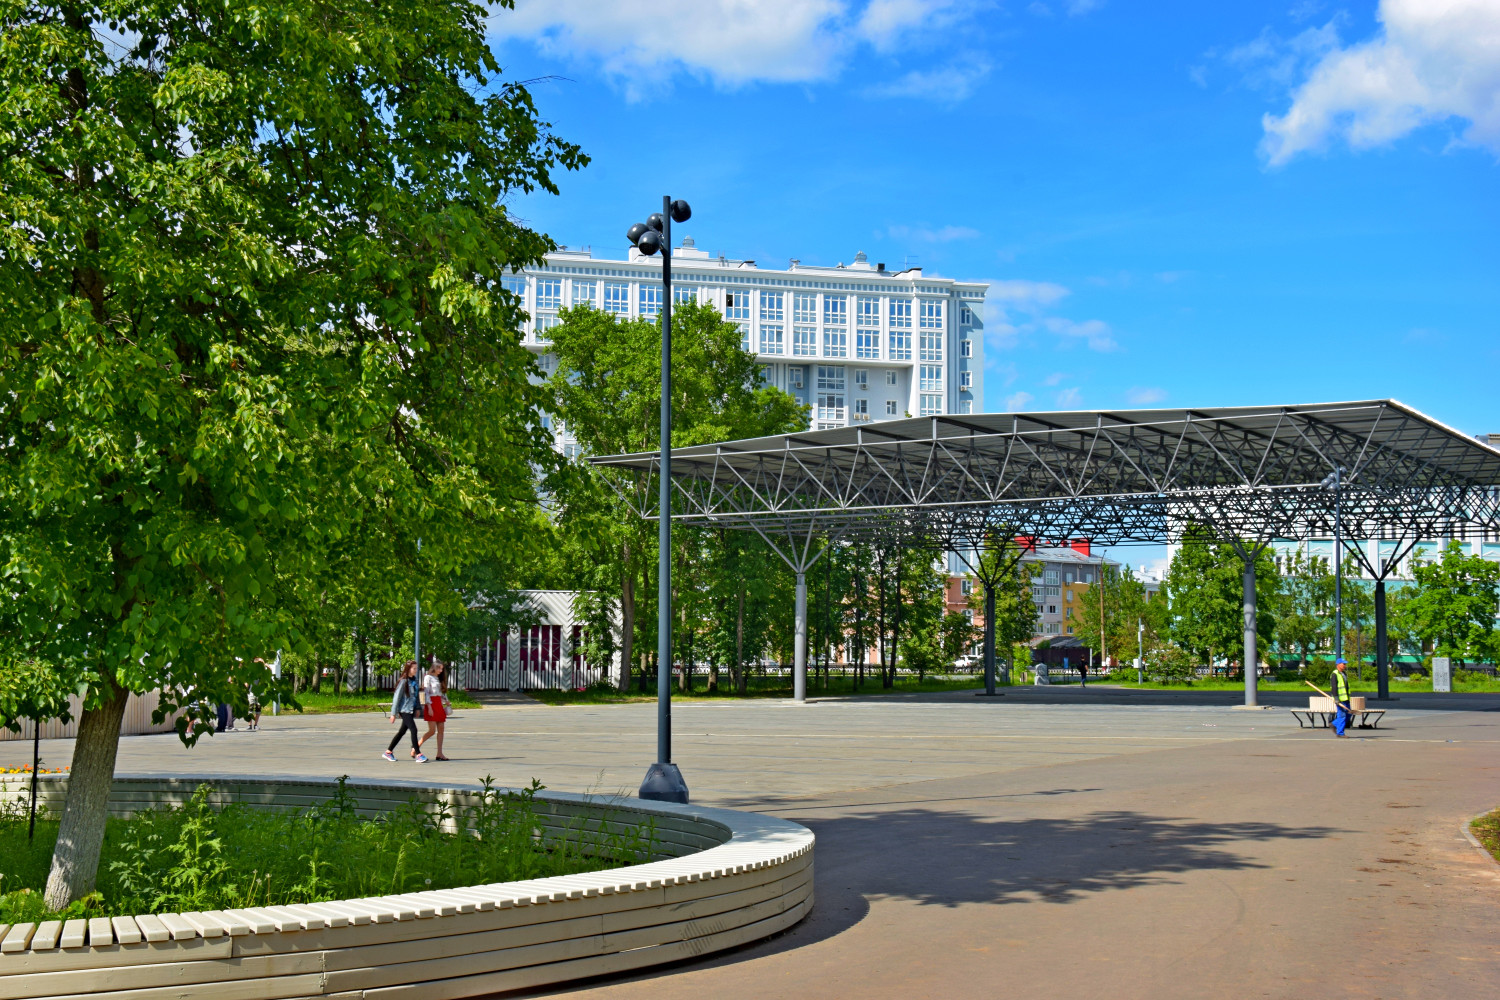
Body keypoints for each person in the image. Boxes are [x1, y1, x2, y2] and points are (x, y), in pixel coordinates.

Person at [383, 661, 426, 762]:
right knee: (414, 729)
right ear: (408, 669)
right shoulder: (403, 681)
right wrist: (393, 714)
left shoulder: (414, 680)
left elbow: (416, 696)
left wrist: (419, 708)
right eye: (414, 668)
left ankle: (388, 752)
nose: (415, 670)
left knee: (401, 732)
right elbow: (396, 698)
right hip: (404, 709)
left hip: (411, 709)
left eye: (416, 668)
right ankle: (418, 754)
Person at [418, 661, 452, 761]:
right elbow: (427, 693)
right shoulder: (428, 677)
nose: (441, 671)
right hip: (431, 704)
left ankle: (439, 753)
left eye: (442, 669)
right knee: (432, 731)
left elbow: (440, 693)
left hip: (439, 703)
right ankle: (416, 746)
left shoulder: (438, 678)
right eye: (439, 668)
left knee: (441, 730)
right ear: (434, 668)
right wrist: (429, 707)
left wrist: (446, 701)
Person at [1331, 658, 1353, 737]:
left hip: (1346, 698)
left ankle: (1334, 724)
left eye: (1345, 664)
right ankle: (1340, 733)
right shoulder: (1335, 674)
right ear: (1338, 664)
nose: (1345, 665)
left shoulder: (1343, 673)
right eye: (1343, 664)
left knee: (1349, 714)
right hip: (1340, 699)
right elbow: (1334, 687)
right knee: (1342, 715)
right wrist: (1336, 698)